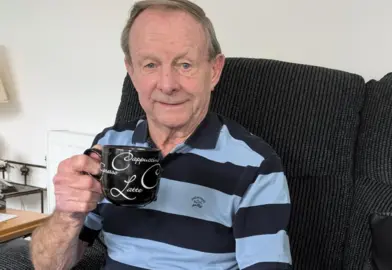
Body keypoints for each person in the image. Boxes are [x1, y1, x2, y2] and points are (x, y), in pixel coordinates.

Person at [30, 0, 292, 269]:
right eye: (150, 65)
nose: (167, 85)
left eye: (185, 65)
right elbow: (48, 266)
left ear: (214, 71)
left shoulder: (255, 165)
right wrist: (67, 215)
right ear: (131, 71)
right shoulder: (110, 145)